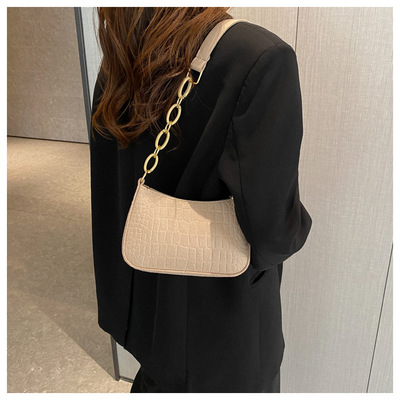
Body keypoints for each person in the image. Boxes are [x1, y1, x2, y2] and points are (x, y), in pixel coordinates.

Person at [89, 7, 312, 393]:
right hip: (222, 334)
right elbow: (273, 233)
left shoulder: (120, 54)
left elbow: (111, 185)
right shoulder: (259, 57)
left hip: (144, 309)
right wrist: (300, 227)